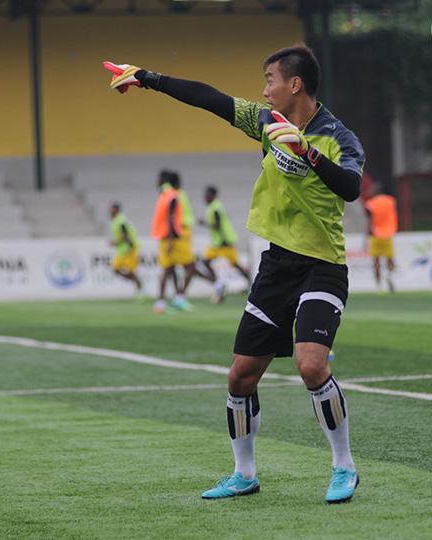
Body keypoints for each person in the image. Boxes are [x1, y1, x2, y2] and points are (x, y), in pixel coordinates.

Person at [105, 43, 365, 503]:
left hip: (323, 267)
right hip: (276, 267)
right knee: (239, 378)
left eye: (270, 81)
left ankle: (343, 467)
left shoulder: (338, 136)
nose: (264, 91)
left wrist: (309, 154)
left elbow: (351, 187)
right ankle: (244, 474)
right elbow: (210, 98)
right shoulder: (266, 123)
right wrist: (148, 76)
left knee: (311, 366)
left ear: (295, 84)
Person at [150, 170, 211, 313]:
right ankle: (179, 297)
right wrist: (172, 240)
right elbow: (172, 218)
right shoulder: (174, 195)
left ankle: (161, 303)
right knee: (190, 267)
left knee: (168, 269)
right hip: (176, 236)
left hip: (165, 236)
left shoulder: (163, 195)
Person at [199, 186, 253, 304]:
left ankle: (251, 286)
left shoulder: (215, 208)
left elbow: (218, 225)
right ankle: (219, 284)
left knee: (236, 265)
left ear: (212, 196)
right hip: (217, 244)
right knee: (205, 261)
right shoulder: (214, 207)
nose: (205, 197)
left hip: (225, 243)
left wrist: (204, 223)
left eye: (207, 195)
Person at [363, 182, 398, 293]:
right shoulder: (391, 201)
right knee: (390, 259)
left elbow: (369, 220)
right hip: (388, 233)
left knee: (376, 262)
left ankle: (379, 287)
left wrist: (366, 237)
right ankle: (389, 275)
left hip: (375, 234)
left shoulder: (371, 203)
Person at [108, 202, 144, 297]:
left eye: (112, 209)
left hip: (130, 249)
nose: (110, 211)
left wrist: (116, 242)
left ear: (117, 210)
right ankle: (139, 284)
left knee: (131, 271)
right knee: (115, 269)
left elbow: (125, 235)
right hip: (122, 250)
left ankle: (140, 290)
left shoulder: (121, 221)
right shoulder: (117, 220)